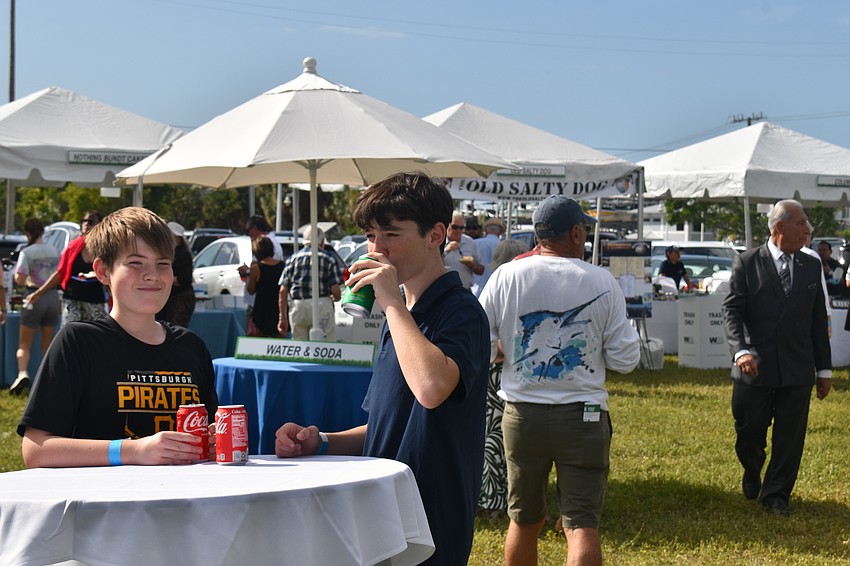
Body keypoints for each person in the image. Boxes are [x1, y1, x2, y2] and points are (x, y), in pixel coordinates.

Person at [275, 172, 490, 565]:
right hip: (381, 512)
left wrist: (391, 303)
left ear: (435, 235)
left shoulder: (459, 310)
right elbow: (387, 424)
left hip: (430, 517)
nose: (377, 248)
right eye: (371, 236)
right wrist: (321, 440)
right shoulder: (403, 316)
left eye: (391, 234)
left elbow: (431, 388)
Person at [478, 195, 640, 566]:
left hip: (522, 416)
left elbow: (477, 346)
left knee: (522, 519)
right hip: (582, 416)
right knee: (582, 524)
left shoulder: (506, 276)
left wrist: (508, 351)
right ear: (577, 232)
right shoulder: (600, 279)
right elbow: (625, 360)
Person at [17, 207, 218, 468]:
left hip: (181, 503)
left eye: (163, 264)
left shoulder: (192, 347)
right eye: (136, 263)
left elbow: (212, 431)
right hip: (104, 505)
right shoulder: (79, 342)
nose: (152, 275)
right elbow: (36, 450)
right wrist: (132, 451)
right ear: (102, 272)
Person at [723, 199, 831, 515]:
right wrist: (740, 350)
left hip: (797, 368)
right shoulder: (747, 262)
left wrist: (823, 370)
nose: (807, 230)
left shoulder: (811, 264)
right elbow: (732, 310)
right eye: (802, 223)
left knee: (790, 437)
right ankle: (752, 467)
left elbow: (817, 320)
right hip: (754, 367)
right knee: (748, 431)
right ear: (779, 227)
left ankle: (776, 495)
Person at [477, 237, 529, 516]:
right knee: (497, 440)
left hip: (496, 375)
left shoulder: (494, 286)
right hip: (497, 374)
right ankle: (493, 500)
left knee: (496, 439)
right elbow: (489, 343)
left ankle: (494, 499)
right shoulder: (504, 287)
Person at [27, 210, 108, 327]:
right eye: (83, 221)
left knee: (96, 338)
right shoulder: (73, 246)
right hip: (72, 299)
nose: (86, 224)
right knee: (70, 335)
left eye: (90, 221)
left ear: (100, 225)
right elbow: (60, 274)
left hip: (96, 301)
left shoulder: (105, 249)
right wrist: (39, 293)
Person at [9, 219, 61, 395]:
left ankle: (22, 373)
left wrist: (16, 277)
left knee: (24, 343)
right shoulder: (54, 251)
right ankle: (50, 380)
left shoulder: (27, 252)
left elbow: (21, 280)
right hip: (53, 298)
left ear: (28, 233)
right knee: (48, 345)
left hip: (33, 297)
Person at [277, 226, 343, 341]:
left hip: (298, 305)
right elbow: (335, 289)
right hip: (322, 304)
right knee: (325, 347)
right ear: (321, 242)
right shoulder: (329, 258)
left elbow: (283, 290)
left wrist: (282, 317)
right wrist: (336, 298)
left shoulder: (292, 259)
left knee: (300, 346)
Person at [239, 215, 284, 333]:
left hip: (261, 306)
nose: (249, 235)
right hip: (273, 304)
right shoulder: (279, 264)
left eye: (249, 231)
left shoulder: (259, 265)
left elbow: (252, 288)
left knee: (257, 339)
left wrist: (249, 271)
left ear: (254, 228)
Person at [156, 221, 195, 327]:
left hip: (180, 299)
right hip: (171, 298)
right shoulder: (170, 253)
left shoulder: (182, 254)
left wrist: (165, 279)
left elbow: (185, 279)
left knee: (175, 328)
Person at [246, 235, 284, 337]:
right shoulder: (282, 266)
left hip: (261, 311)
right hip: (278, 309)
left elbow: (250, 290)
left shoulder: (256, 268)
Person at [443, 211, 484, 290]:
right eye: (455, 227)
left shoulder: (470, 242)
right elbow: (430, 264)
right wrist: (446, 251)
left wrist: (472, 265)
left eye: (461, 228)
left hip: (465, 289)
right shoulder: (439, 241)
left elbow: (481, 270)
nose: (458, 231)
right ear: (447, 225)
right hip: (444, 290)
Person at [471, 216, 504, 297]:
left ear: (485, 230)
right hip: (495, 290)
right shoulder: (503, 246)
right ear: (500, 232)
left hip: (474, 289)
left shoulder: (474, 243)